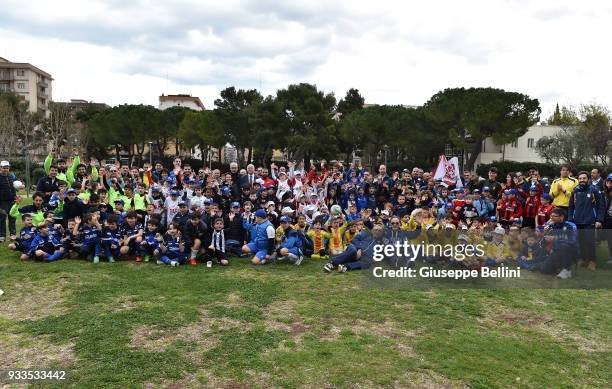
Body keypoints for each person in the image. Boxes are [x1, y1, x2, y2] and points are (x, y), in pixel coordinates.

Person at [568, 171, 605, 270]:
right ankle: (583, 259)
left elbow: (601, 206)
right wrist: (570, 220)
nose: (582, 180)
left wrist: (599, 220)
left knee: (590, 241)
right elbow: (571, 207)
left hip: (590, 221)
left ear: (588, 179)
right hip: (578, 221)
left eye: (584, 178)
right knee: (580, 241)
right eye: (580, 178)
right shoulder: (575, 191)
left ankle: (592, 261)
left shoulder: (594, 190)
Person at [323, 223, 390, 272]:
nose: (377, 232)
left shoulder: (382, 242)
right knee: (353, 251)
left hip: (364, 257)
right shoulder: (365, 233)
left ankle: (345, 267)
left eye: (379, 230)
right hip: (354, 248)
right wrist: (359, 248)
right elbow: (355, 239)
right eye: (376, 230)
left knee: (368, 262)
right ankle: (331, 264)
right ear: (372, 230)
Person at [537, 208, 579, 279]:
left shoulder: (570, 226)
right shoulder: (552, 226)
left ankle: (567, 270)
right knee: (544, 270)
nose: (551, 218)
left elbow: (572, 241)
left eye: (554, 216)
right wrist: (544, 232)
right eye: (551, 216)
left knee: (565, 246)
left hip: (571, 251)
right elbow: (540, 239)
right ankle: (558, 267)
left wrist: (555, 238)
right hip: (556, 252)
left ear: (561, 217)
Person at [0, 160, 18, 242]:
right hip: (2, 202)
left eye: (7, 168)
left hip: (13, 200)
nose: (5, 169)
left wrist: (21, 185)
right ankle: (2, 236)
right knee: (2, 218)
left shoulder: (12, 176)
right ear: (0, 168)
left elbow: (17, 184)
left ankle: (13, 234)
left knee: (12, 218)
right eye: (4, 168)